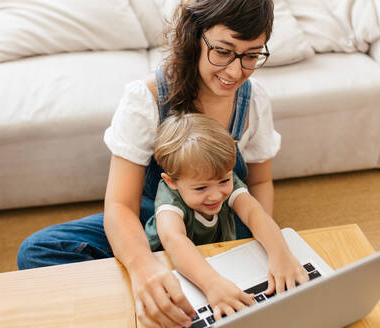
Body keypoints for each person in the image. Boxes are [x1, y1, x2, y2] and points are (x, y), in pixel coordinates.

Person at [17, 0, 282, 327]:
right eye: (223, 51)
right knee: (38, 251)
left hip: (224, 216)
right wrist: (143, 268)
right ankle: (159, 286)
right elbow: (120, 205)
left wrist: (257, 250)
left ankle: (179, 283)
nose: (235, 71)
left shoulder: (253, 100)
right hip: (156, 217)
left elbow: (258, 184)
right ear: (194, 35)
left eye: (252, 55)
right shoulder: (145, 98)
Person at [145, 113, 309, 321]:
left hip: (217, 254)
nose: (216, 195)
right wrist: (213, 284)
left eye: (224, 181)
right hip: (173, 267)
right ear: (171, 182)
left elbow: (253, 212)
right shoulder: (169, 199)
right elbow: (174, 240)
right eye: (201, 187)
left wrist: (281, 254)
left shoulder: (222, 177)